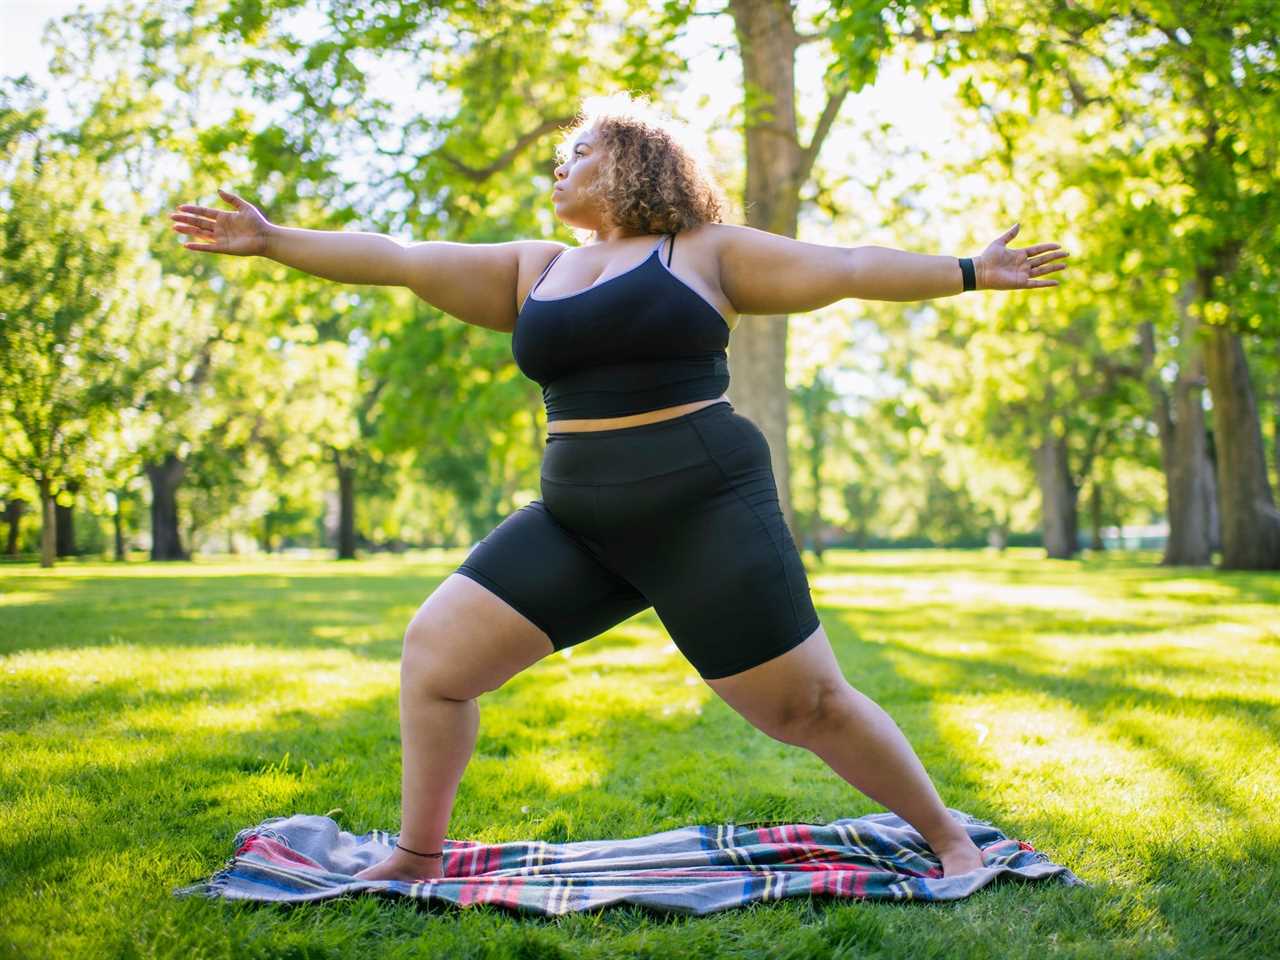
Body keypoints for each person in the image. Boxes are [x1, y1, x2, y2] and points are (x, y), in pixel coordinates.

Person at [170, 93, 1069, 885]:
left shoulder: (708, 252)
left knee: (806, 708)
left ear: (638, 161)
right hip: (578, 517)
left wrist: (969, 271)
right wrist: (275, 241)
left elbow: (846, 267)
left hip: (702, 506)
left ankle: (953, 842)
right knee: (435, 663)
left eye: (583, 149)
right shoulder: (535, 268)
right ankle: (416, 853)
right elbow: (398, 255)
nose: (562, 163)